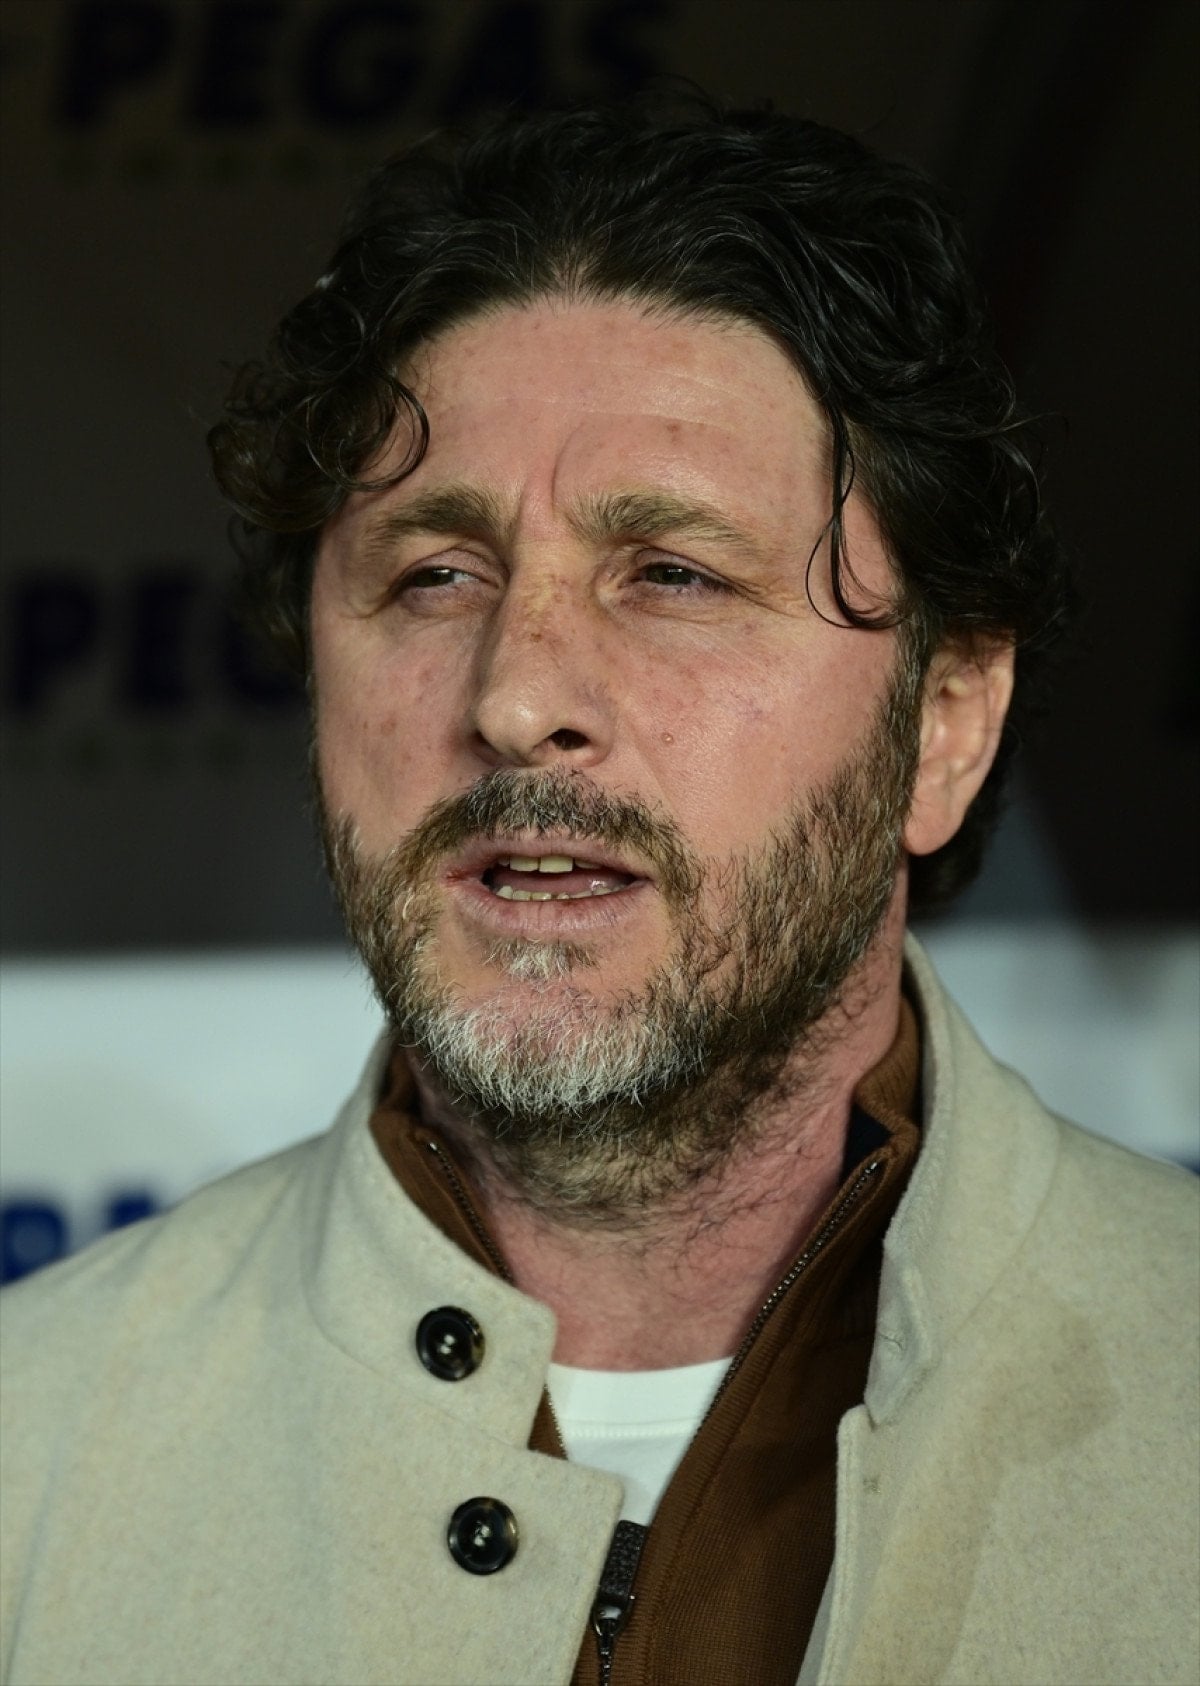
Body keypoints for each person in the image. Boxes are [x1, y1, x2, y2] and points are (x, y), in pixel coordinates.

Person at [1, 96, 1196, 1686]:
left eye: (673, 574)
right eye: (436, 574)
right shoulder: (29, 1449)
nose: (517, 695)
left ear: (947, 724)